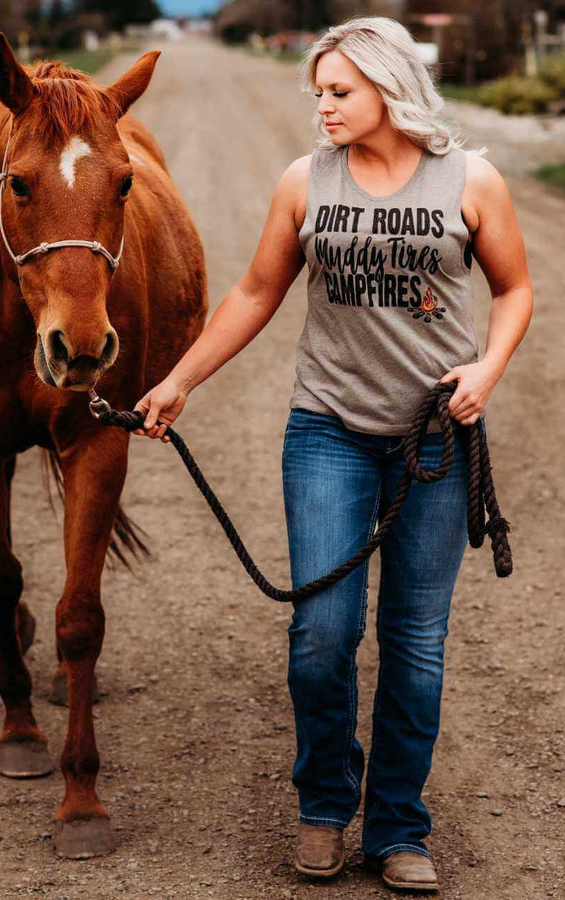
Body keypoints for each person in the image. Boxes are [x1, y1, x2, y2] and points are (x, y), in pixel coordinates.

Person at [131, 15, 533, 893]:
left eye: (339, 91)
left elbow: (515, 288)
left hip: (436, 441)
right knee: (322, 635)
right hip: (328, 433)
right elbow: (255, 291)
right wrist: (178, 381)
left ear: (389, 88)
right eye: (319, 91)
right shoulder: (302, 183)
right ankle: (323, 810)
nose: (323, 106)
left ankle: (397, 827)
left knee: (414, 645)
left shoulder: (472, 181)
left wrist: (488, 368)